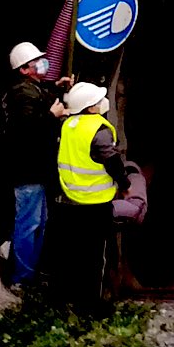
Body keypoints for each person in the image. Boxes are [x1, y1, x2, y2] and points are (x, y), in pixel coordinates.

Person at [52, 80, 127, 309]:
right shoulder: (98, 129)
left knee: (72, 254)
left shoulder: (68, 125)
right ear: (91, 107)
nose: (101, 103)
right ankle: (92, 306)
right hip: (96, 203)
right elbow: (111, 160)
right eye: (97, 101)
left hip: (69, 200)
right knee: (97, 256)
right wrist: (124, 183)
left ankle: (67, 300)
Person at [0, 41, 57, 288]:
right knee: (28, 224)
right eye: (37, 61)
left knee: (37, 224)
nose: (43, 64)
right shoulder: (23, 93)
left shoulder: (31, 90)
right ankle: (21, 279)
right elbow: (29, 129)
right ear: (24, 69)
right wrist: (52, 116)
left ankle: (28, 274)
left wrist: (56, 87)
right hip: (28, 171)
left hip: (35, 171)